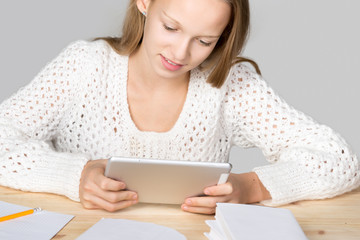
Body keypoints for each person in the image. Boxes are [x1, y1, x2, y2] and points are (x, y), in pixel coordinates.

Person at [0, 0, 359, 215]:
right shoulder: (84, 66)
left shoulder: (231, 85)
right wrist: (72, 176)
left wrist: (250, 187)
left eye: (204, 41)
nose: (181, 54)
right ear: (144, 2)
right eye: (170, 27)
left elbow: (339, 161)